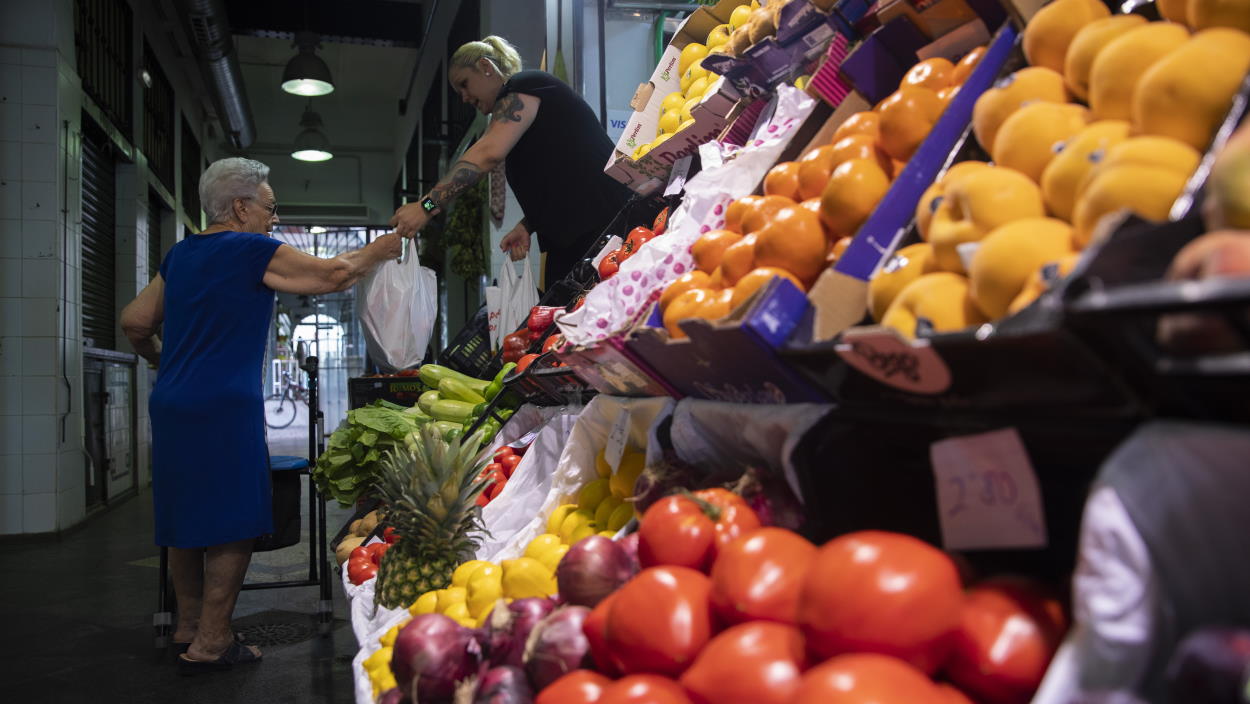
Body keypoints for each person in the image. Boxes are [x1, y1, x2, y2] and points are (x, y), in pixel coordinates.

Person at [120, 157, 402, 673]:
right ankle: (212, 640)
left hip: (173, 402)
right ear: (240, 207)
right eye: (270, 207)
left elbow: (135, 321)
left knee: (184, 518)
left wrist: (165, 360)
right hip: (224, 406)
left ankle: (187, 625)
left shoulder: (180, 255)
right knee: (233, 521)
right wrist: (381, 249)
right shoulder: (248, 250)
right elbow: (334, 275)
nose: (274, 217)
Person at [389, 35, 631, 288]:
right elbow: (564, 175)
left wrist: (426, 206)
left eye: (464, 84)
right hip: (582, 235)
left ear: (485, 67)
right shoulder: (519, 118)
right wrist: (529, 224)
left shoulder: (526, 84)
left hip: (609, 225)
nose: (464, 98)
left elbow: (487, 153)